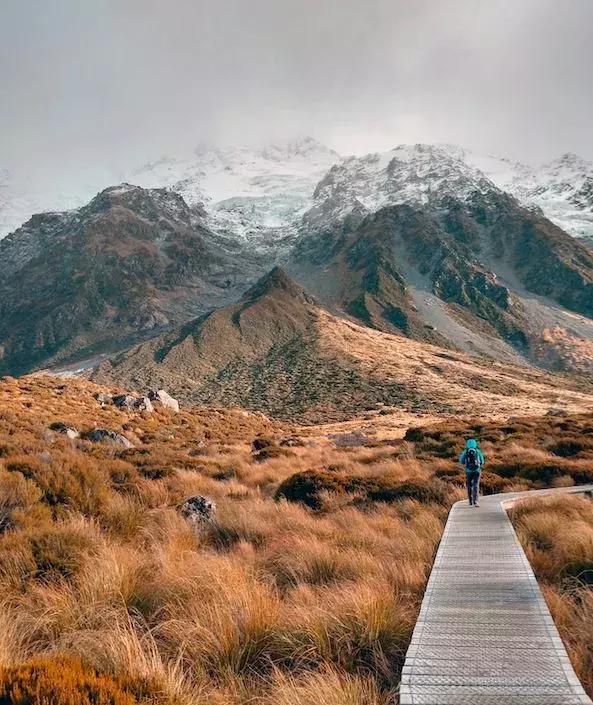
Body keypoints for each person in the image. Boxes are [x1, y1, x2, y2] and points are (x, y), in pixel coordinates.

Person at [459, 438, 485, 507]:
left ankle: (470, 501)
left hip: (468, 471)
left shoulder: (466, 452)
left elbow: (461, 461)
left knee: (469, 486)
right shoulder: (478, 451)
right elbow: (482, 461)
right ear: (475, 444)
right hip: (477, 471)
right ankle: (475, 501)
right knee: (476, 485)